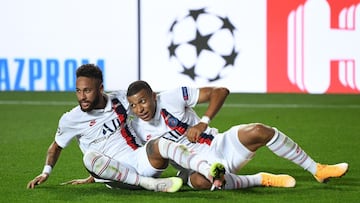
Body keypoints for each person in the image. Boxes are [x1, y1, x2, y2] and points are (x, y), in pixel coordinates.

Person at [26, 64, 226, 192]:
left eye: (87, 91)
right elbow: (56, 146)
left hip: (141, 160)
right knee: (89, 158)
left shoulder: (121, 99)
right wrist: (46, 172)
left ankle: (209, 172)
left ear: (100, 88)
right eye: (78, 91)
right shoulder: (71, 119)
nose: (82, 97)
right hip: (115, 174)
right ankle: (148, 185)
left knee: (162, 143)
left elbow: (148, 99)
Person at [125, 80, 349, 190]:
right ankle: (260, 179)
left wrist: (203, 123)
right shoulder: (138, 129)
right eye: (134, 106)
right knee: (201, 182)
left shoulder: (172, 97)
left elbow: (220, 92)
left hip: (220, 144)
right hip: (195, 167)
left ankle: (317, 169)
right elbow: (131, 160)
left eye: (143, 101)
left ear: (153, 96)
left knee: (260, 131)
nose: (140, 109)